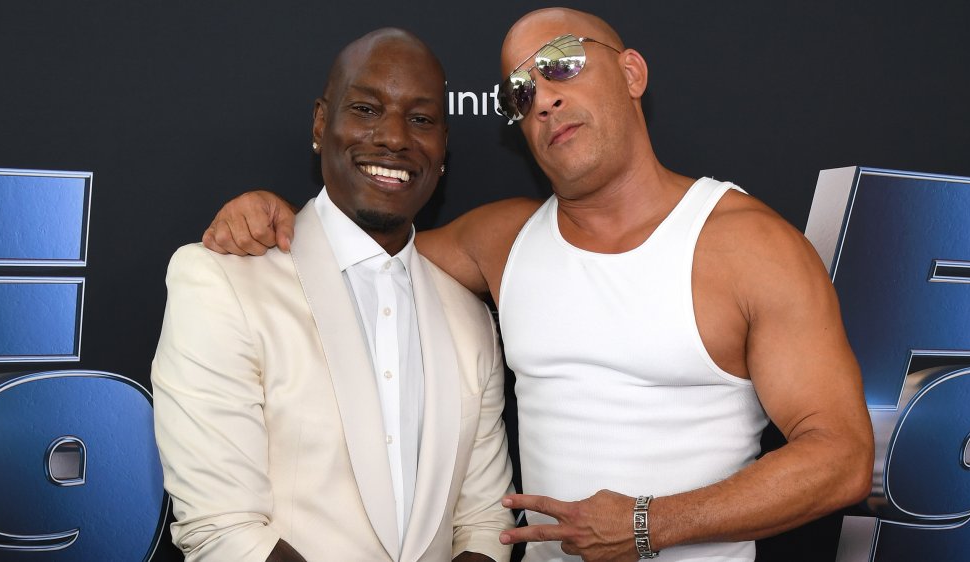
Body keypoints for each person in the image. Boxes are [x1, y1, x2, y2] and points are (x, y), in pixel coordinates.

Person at [202, 8, 875, 562]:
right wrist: (267, 214)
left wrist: (647, 524)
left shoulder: (750, 245)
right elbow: (353, 253)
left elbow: (842, 457)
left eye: (560, 63)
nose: (544, 97)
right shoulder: (500, 242)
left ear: (632, 71)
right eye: (520, 92)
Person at [151, 28, 514, 562]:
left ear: (443, 147)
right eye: (367, 109)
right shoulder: (221, 281)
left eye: (420, 119)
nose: (394, 138)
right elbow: (223, 530)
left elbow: (484, 523)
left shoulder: (470, 318)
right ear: (322, 122)